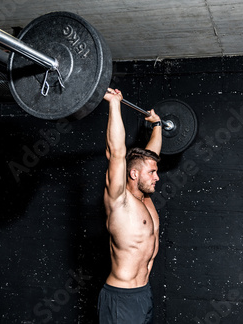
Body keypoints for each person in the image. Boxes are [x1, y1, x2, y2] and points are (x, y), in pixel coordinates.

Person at [98, 88, 162, 324]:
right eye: (153, 173)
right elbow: (116, 153)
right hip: (121, 298)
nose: (157, 177)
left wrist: (157, 126)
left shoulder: (145, 197)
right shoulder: (119, 200)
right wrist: (115, 104)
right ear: (133, 174)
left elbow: (149, 158)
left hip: (143, 293)